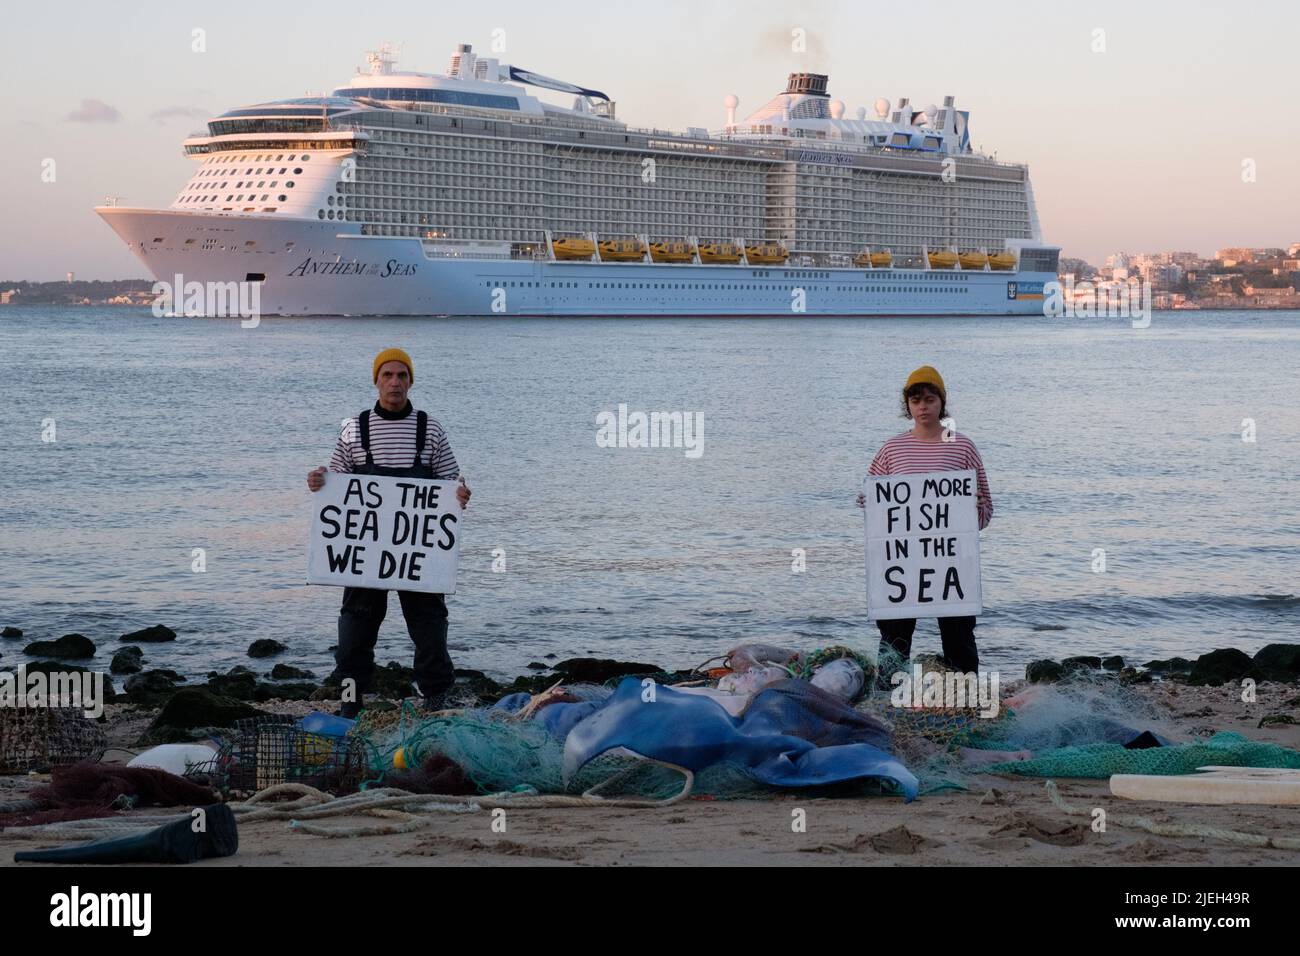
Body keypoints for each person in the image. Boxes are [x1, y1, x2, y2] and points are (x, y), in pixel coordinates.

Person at [307, 347, 471, 718]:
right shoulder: (354, 428)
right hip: (364, 553)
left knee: (430, 628)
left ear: (411, 381)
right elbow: (335, 484)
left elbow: (450, 485)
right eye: (387, 375)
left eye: (401, 375)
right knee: (354, 634)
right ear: (376, 380)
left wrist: (461, 494)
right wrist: (318, 480)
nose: (394, 382)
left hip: (417, 552)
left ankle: (437, 698)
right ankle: (350, 701)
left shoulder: (430, 428)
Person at [857, 365, 992, 676]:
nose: (923, 407)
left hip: (951, 562)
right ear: (907, 405)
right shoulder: (891, 449)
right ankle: (889, 699)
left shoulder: (962, 446)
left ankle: (965, 695)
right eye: (916, 400)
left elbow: (985, 512)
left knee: (959, 638)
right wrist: (871, 502)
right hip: (903, 563)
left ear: (942, 403)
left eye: (930, 399)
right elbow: (880, 512)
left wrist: (973, 509)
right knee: (894, 638)